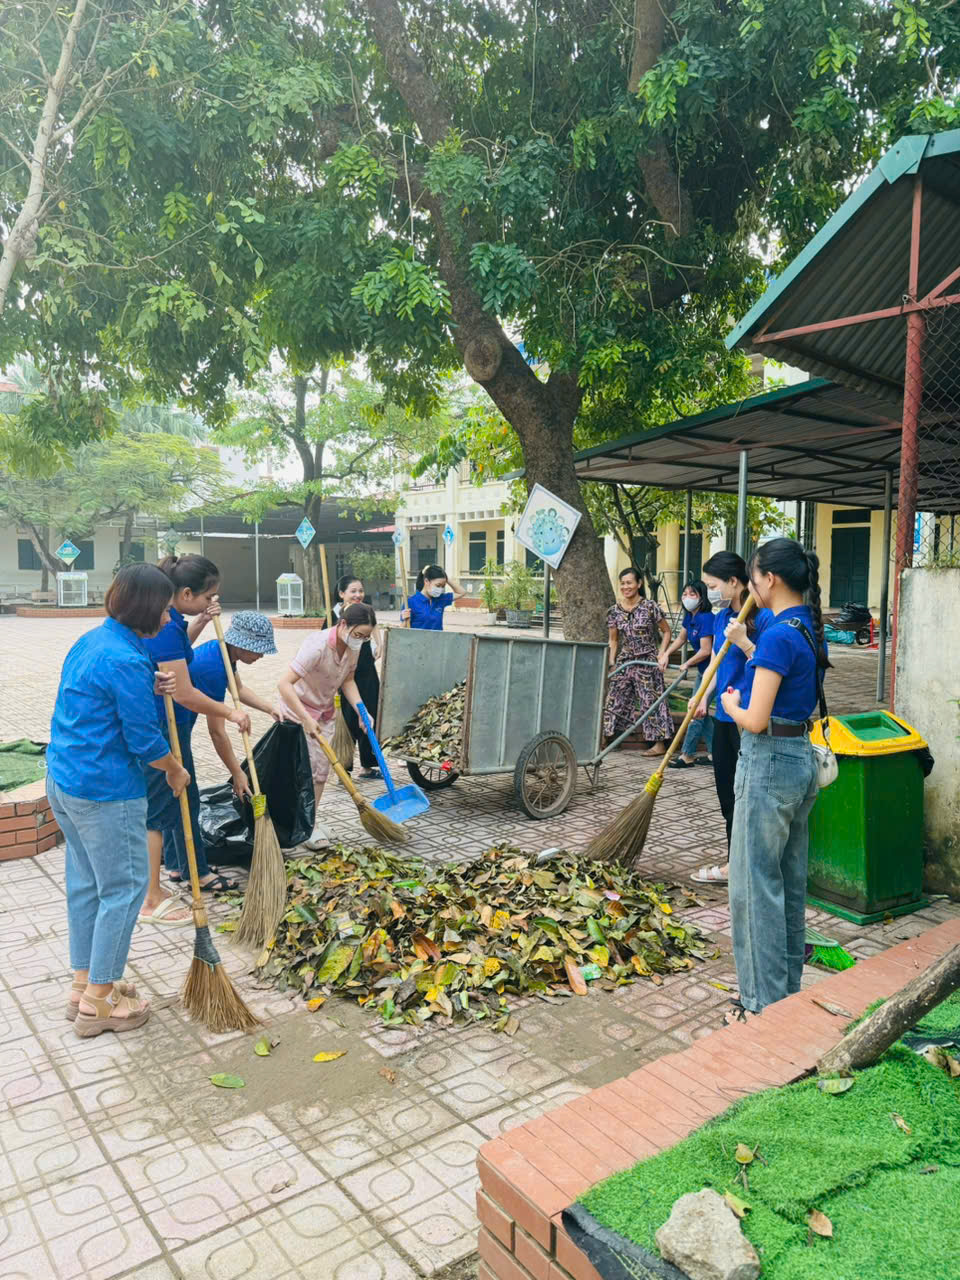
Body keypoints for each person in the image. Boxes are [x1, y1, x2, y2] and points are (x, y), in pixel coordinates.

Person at [46, 564, 190, 1037]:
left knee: (87, 882)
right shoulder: (125, 660)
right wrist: (175, 769)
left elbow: (100, 697)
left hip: (66, 780)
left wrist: (151, 684)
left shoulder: (94, 641)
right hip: (105, 791)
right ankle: (100, 1004)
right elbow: (145, 742)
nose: (170, 619)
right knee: (125, 890)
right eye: (167, 610)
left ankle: (83, 984)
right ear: (148, 609)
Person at [720, 537, 828, 1020]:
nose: (752, 586)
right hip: (798, 759)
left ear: (771, 580)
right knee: (786, 879)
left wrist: (730, 706)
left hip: (766, 763)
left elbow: (757, 718)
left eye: (755, 576)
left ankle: (760, 1002)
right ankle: (784, 990)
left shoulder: (781, 635)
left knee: (753, 884)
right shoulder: (804, 626)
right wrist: (747, 646)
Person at [138, 555, 251, 925]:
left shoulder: (173, 621)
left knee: (179, 797)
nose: (212, 603)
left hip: (173, 725)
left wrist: (200, 620)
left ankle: (177, 868)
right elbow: (184, 692)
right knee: (177, 797)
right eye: (208, 597)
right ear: (185, 592)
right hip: (164, 728)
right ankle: (190, 875)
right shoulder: (166, 624)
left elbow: (177, 655)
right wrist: (228, 712)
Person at [690, 552, 773, 885]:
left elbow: (768, 662)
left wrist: (745, 641)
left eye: (712, 585)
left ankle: (746, 863)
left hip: (749, 718)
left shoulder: (761, 617)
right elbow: (715, 662)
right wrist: (702, 695)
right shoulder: (719, 616)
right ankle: (734, 860)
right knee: (727, 793)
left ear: (734, 582)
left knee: (749, 794)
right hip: (724, 718)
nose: (709, 591)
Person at [276, 602, 376, 849]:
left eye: (366, 637)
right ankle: (299, 826)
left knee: (321, 772)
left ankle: (310, 822)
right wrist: (305, 718)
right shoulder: (317, 645)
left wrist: (362, 711)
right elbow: (284, 684)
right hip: (297, 711)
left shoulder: (353, 648)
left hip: (324, 712)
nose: (361, 641)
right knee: (305, 771)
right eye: (358, 635)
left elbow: (348, 680)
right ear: (343, 625)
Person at [168, 611, 281, 829]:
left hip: (181, 719)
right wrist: (238, 773)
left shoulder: (224, 653)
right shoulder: (213, 667)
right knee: (181, 793)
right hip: (174, 723)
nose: (261, 656)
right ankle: (175, 854)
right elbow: (216, 732)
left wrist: (270, 709)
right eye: (258, 650)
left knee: (181, 792)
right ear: (241, 644)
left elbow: (238, 688)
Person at [603, 567, 673, 756]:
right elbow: (614, 640)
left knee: (650, 701)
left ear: (639, 584)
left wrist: (661, 653)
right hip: (626, 661)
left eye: (629, 582)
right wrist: (612, 662)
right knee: (614, 698)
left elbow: (667, 631)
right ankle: (609, 738)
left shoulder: (650, 607)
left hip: (647, 662)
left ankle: (658, 744)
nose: (626, 587)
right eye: (623, 583)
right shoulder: (614, 611)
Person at [324, 575, 382, 779]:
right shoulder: (333, 616)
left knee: (369, 715)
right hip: (344, 676)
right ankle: (344, 767)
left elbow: (373, 626)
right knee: (347, 719)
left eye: (360, 590)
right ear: (341, 594)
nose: (358, 595)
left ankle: (368, 765)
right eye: (353, 591)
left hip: (366, 671)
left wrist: (378, 643)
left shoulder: (365, 611)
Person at [659, 580, 715, 768]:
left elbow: (706, 650)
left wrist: (687, 663)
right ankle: (716, 753)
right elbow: (682, 638)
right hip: (702, 671)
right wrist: (666, 653)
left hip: (713, 671)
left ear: (702, 597)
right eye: (684, 594)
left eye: (693, 594)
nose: (687, 598)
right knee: (702, 712)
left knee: (695, 710)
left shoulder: (706, 618)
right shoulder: (690, 617)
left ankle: (687, 754)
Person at [402, 564, 464, 630]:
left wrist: (445, 577)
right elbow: (403, 632)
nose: (440, 589)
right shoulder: (410, 602)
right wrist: (405, 621)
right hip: (418, 640)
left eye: (443, 586)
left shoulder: (441, 599)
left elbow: (461, 592)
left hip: (437, 639)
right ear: (426, 581)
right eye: (438, 585)